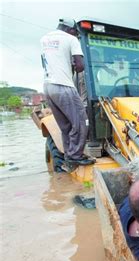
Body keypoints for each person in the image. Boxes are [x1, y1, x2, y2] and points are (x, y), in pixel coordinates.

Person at [40, 18, 94, 166]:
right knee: (83, 121)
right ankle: (76, 155)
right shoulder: (70, 39)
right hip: (64, 86)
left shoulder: (44, 39)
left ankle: (69, 155)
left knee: (66, 126)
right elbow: (80, 66)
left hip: (48, 86)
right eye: (76, 32)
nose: (76, 35)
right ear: (71, 29)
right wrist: (74, 64)